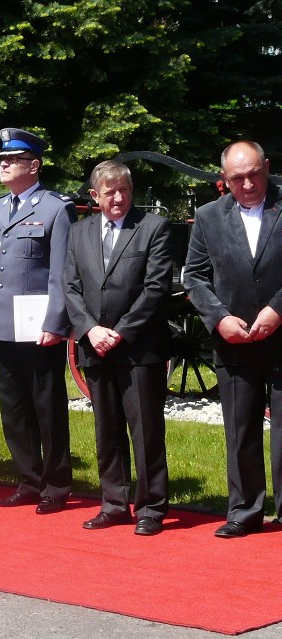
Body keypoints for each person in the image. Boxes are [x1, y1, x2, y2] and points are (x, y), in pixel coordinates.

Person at [63, 160, 173, 535]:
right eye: (110, 191)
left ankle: (151, 508)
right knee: (106, 429)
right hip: (95, 347)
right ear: (95, 195)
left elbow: (156, 288)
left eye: (124, 189)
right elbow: (71, 288)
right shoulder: (79, 233)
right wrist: (91, 330)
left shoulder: (152, 228)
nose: (118, 197)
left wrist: (120, 331)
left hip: (139, 349)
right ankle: (113, 503)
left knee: (145, 430)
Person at [184, 140, 282, 538]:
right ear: (224, 180)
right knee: (240, 430)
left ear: (267, 167)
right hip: (234, 341)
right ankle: (244, 512)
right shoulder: (207, 217)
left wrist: (278, 309)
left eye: (254, 174)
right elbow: (193, 275)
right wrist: (218, 318)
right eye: (237, 178)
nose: (248, 184)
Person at [0, 127, 76, 514]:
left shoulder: (55, 208)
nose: (3, 164)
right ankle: (29, 479)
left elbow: (60, 272)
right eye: (1, 159)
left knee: (46, 405)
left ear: (34, 165)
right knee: (14, 407)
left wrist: (55, 322)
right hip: (2, 323)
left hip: (38, 327)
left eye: (12, 159)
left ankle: (56, 482)